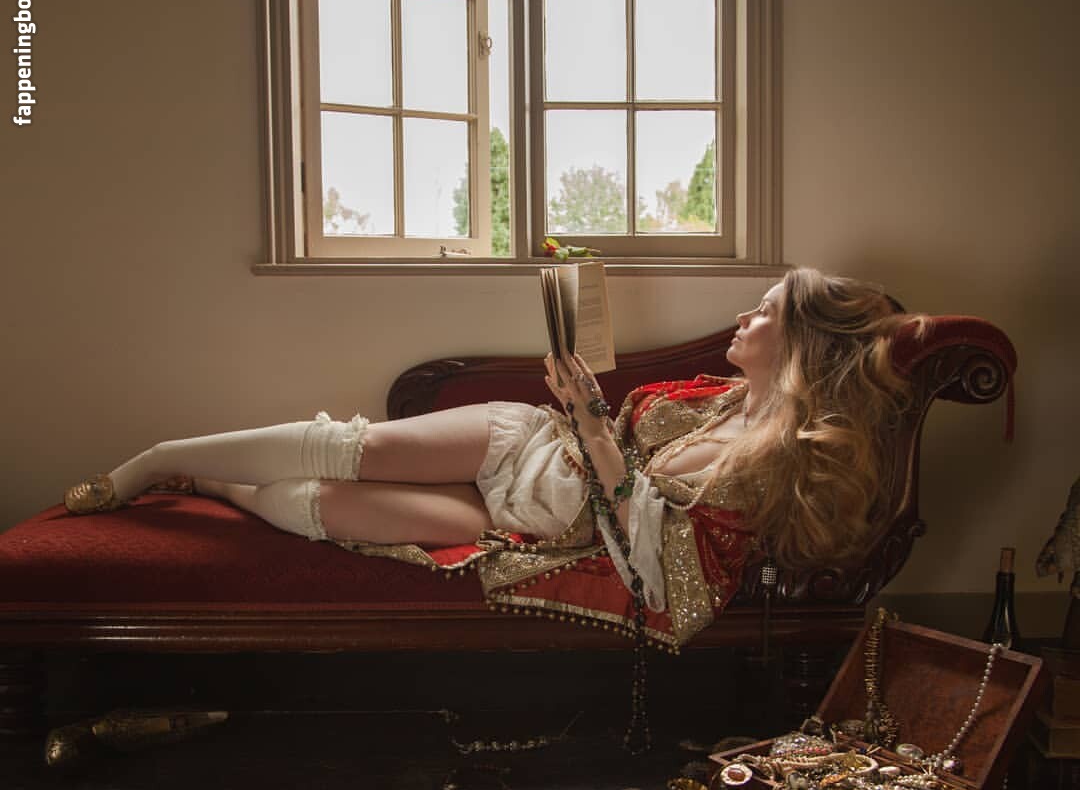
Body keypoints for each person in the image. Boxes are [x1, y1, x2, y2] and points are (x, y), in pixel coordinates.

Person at [63, 266, 921, 654]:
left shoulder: (771, 458)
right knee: (352, 447)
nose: (743, 318)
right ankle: (154, 458)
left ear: (802, 343)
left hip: (537, 525)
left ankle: (209, 483)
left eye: (764, 312)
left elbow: (660, 567)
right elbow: (615, 450)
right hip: (526, 443)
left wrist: (592, 421)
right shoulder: (725, 397)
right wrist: (581, 413)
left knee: (323, 502)